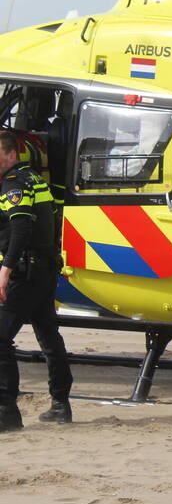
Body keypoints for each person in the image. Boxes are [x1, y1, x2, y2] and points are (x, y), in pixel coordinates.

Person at [0, 131, 71, 431]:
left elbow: (20, 229)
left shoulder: (14, 184)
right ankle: (60, 405)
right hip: (43, 270)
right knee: (49, 336)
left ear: (11, 155)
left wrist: (6, 268)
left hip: (25, 272)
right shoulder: (35, 179)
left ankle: (6, 413)